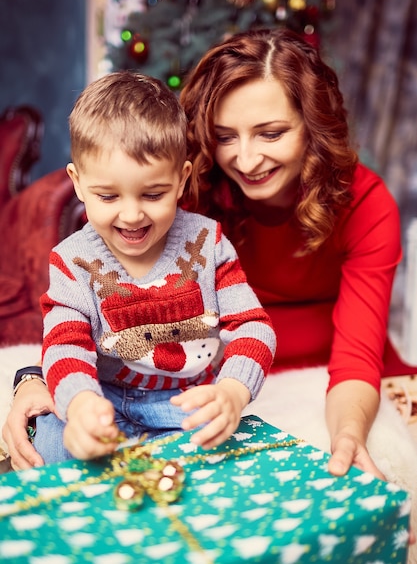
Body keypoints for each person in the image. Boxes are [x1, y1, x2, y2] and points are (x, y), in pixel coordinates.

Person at [0, 28, 405, 475]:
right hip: (171, 374)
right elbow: (88, 316)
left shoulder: (360, 204)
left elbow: (350, 357)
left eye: (270, 134)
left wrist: (347, 436)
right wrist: (38, 382)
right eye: (226, 136)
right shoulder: (179, 194)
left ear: (312, 127)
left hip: (282, 375)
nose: (247, 161)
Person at [21, 70, 275, 464]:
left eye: (153, 193)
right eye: (107, 195)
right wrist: (81, 403)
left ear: (181, 180)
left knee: (227, 449)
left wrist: (232, 392)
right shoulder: (71, 260)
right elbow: (66, 344)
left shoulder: (209, 243)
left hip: (184, 400)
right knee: (55, 442)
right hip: (104, 399)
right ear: (78, 183)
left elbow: (254, 328)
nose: (132, 213)